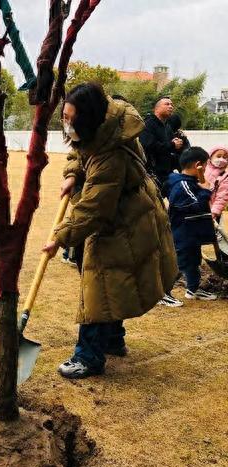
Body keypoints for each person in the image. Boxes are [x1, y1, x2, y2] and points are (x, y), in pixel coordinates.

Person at [42, 83, 178, 379]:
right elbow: (80, 153)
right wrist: (72, 174)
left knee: (99, 284)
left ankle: (88, 357)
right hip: (120, 216)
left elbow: (93, 208)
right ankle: (113, 341)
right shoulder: (102, 128)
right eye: (64, 116)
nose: (66, 123)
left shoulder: (111, 153)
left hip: (125, 222)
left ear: (88, 117)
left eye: (70, 117)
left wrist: (60, 238)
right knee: (113, 283)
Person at [166, 147, 218, 301]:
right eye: (206, 165)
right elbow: (193, 204)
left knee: (194, 261)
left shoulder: (191, 182)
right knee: (179, 264)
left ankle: (193, 289)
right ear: (198, 165)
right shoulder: (182, 184)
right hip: (183, 232)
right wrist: (205, 191)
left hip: (193, 232)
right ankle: (163, 292)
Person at [139, 96, 184, 196]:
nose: (171, 106)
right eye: (167, 104)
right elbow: (148, 145)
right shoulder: (148, 124)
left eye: (172, 104)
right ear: (157, 108)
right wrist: (172, 145)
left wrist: (178, 143)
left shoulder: (167, 126)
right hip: (152, 173)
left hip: (167, 172)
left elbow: (170, 146)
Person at [204, 145, 228, 221]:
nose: (221, 159)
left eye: (224, 157)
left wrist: (214, 212)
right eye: (218, 156)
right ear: (210, 157)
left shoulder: (225, 175)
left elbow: (222, 196)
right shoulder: (202, 168)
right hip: (196, 207)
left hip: (211, 210)